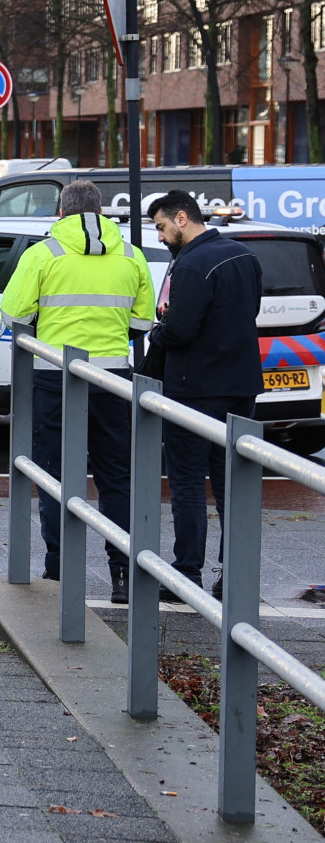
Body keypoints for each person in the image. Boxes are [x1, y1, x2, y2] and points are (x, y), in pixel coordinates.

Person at [1, 180, 155, 603]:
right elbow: (142, 324)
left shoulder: (43, 253)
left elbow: (14, 313)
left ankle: (58, 569)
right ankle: (122, 575)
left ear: (62, 213)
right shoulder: (131, 254)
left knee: (53, 474)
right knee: (116, 475)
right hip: (111, 377)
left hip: (54, 376)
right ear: (100, 212)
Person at [145, 189, 263, 600]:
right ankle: (234, 573)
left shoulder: (192, 264)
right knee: (232, 483)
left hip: (195, 387)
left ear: (181, 218)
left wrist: (158, 329)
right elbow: (250, 312)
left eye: (161, 227)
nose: (160, 237)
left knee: (189, 481)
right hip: (242, 384)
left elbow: (180, 330)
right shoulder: (243, 256)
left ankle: (186, 573)